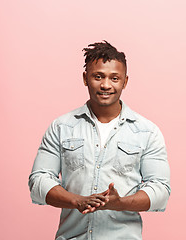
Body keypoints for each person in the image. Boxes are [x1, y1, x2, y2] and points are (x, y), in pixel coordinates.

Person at [28, 40, 171, 240]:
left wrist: (119, 203)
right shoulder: (61, 127)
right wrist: (76, 201)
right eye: (98, 76)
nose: (105, 85)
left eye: (114, 78)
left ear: (125, 81)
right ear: (85, 79)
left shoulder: (147, 132)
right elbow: (38, 181)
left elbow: (160, 190)